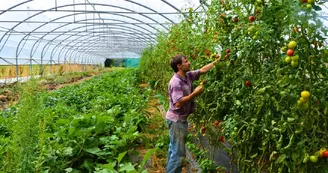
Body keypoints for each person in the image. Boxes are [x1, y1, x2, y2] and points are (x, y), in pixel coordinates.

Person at [166, 54, 220, 173]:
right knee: (178, 155)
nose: (189, 62)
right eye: (186, 61)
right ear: (179, 66)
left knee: (173, 150)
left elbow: (203, 70)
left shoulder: (188, 76)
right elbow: (178, 103)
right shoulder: (175, 82)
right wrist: (195, 93)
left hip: (179, 120)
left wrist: (218, 61)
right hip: (176, 121)